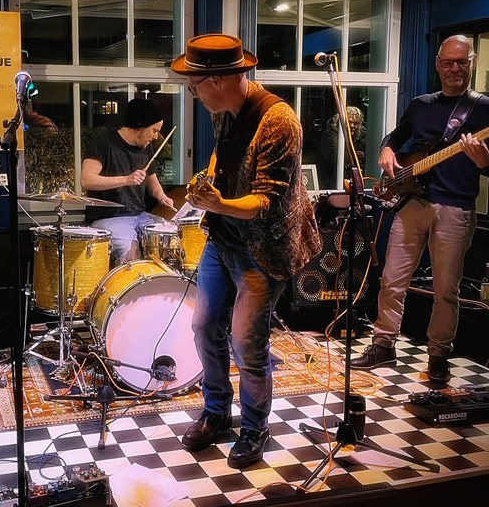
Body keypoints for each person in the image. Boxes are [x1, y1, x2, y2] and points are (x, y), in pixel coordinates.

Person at [171, 34, 322, 468]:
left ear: (217, 80)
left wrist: (218, 204)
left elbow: (266, 201)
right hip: (224, 239)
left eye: (195, 86)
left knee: (246, 342)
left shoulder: (279, 121)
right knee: (204, 327)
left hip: (264, 248)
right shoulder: (224, 110)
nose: (194, 94)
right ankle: (216, 412)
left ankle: (255, 427)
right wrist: (209, 181)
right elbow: (223, 154)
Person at [350, 35, 489, 383]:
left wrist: (483, 160)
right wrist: (386, 150)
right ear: (437, 64)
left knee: (446, 289)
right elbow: (395, 137)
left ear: (472, 63)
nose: (454, 68)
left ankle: (438, 355)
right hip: (413, 202)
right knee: (391, 280)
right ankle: (383, 345)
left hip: (455, 208)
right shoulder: (421, 104)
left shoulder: (486, 110)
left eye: (461, 62)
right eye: (448, 62)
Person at [81, 97, 175, 263]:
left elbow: (152, 181)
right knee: (129, 248)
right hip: (109, 217)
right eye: (154, 131)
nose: (156, 137)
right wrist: (126, 179)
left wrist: (161, 195)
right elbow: (87, 180)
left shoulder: (145, 148)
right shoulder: (103, 143)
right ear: (140, 127)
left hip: (140, 215)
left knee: (171, 238)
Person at [315, 106, 366, 189]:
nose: (352, 126)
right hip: (331, 180)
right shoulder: (331, 134)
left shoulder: (363, 134)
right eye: (349, 122)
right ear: (340, 122)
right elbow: (335, 156)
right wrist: (353, 157)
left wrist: (364, 155)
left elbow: (371, 154)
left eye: (356, 123)